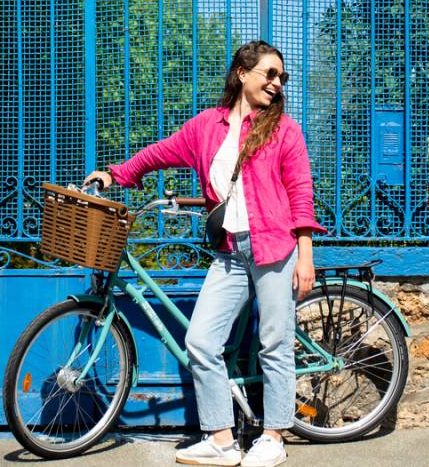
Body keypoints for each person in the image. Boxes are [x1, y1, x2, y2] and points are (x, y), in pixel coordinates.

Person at [84, 39, 324, 467]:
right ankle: (221, 440)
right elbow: (158, 153)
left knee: (274, 344)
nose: (277, 83)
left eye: (282, 77)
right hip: (230, 251)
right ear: (242, 74)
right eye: (269, 73)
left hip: (274, 247)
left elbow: (300, 192)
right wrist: (115, 174)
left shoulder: (285, 129)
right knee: (200, 341)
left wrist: (305, 255)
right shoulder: (206, 127)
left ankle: (273, 437)